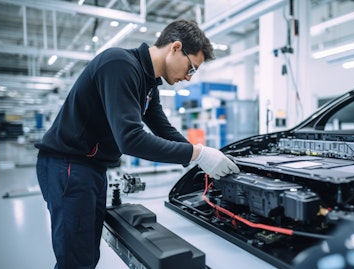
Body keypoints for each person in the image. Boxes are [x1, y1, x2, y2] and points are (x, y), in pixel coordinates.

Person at [35, 19, 240, 268]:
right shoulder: (119, 65)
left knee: (87, 255)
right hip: (69, 166)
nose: (188, 78)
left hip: (91, 168)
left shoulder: (148, 83)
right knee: (75, 260)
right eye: (191, 68)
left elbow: (163, 129)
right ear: (175, 47)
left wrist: (205, 158)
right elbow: (130, 139)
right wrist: (197, 154)